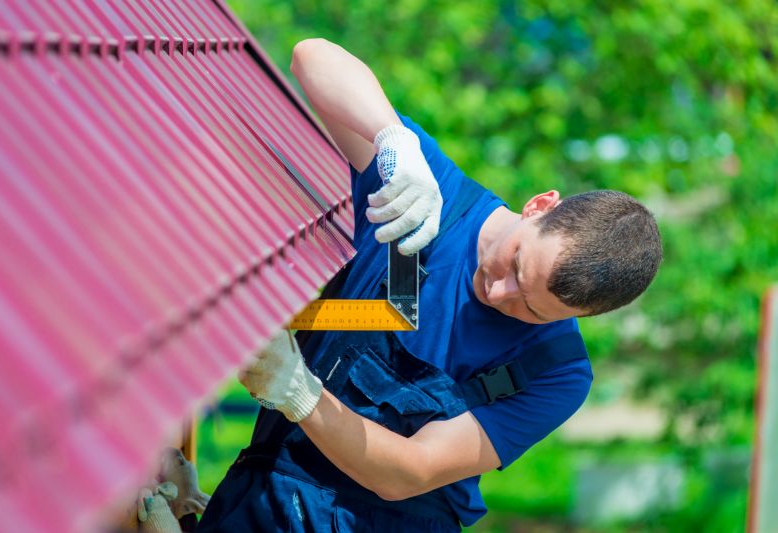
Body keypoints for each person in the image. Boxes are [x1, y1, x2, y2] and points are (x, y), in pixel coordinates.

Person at [197, 38, 662, 532]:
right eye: (516, 266)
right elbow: (311, 58)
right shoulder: (424, 196)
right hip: (263, 499)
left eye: (534, 309)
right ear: (540, 206)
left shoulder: (555, 374)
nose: (501, 294)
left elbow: (409, 473)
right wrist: (392, 138)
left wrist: (298, 393)